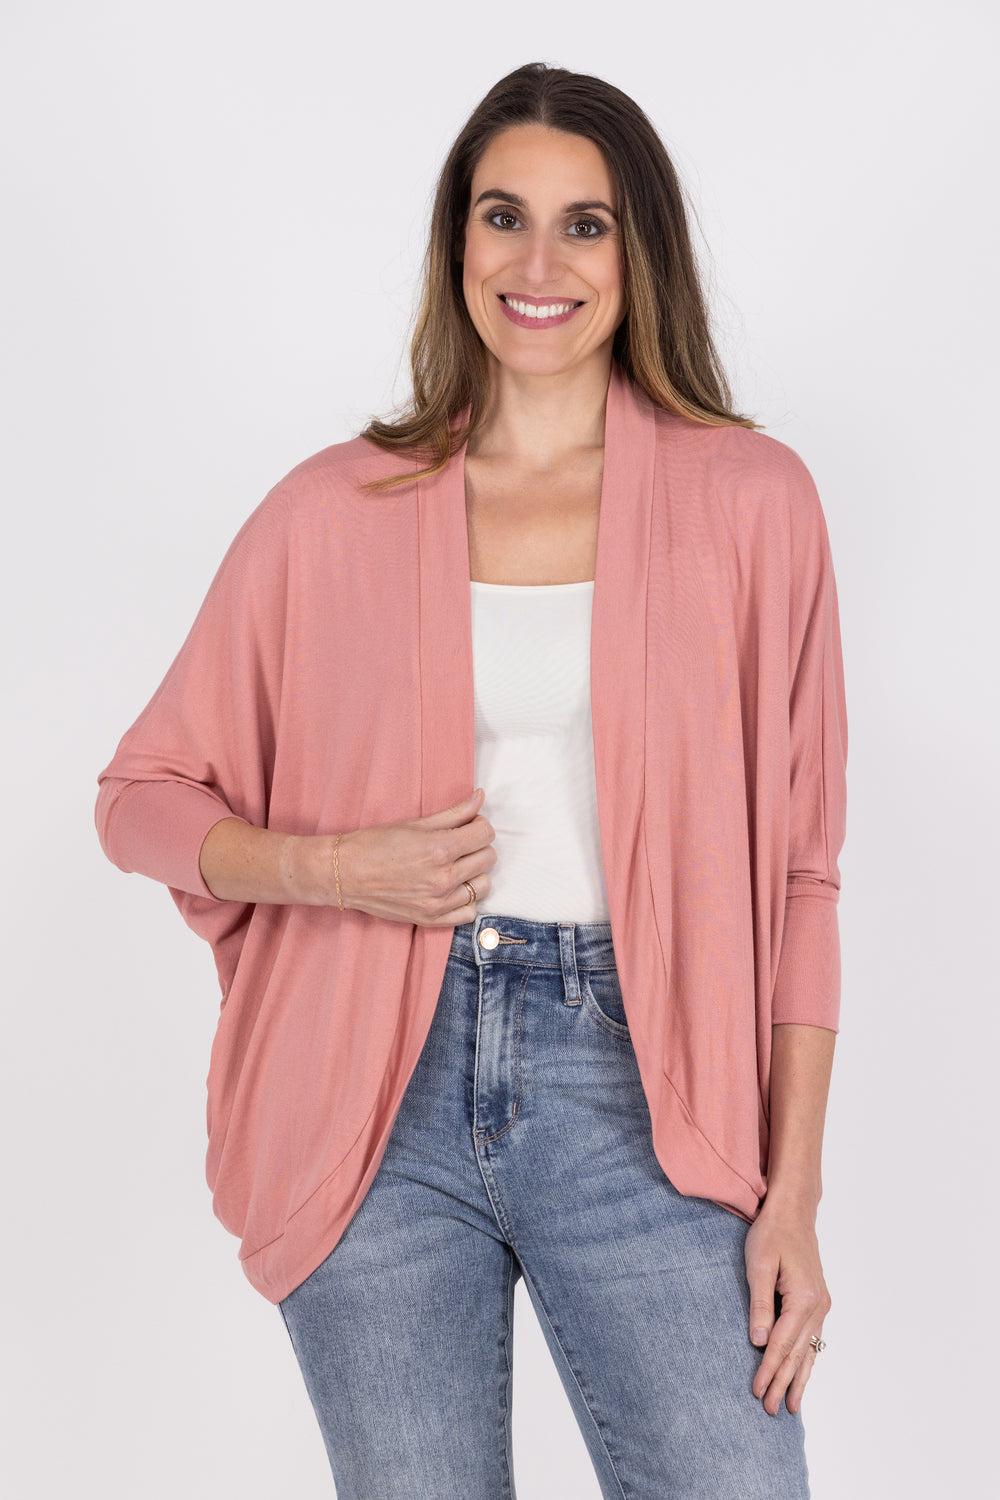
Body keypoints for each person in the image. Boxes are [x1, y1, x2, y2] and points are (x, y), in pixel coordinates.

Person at [94, 61, 847, 1499]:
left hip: (645, 1083)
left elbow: (805, 876)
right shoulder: (336, 507)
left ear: (640, 252)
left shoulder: (755, 504)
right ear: (458, 244)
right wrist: (331, 867)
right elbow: (140, 800)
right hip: (373, 1093)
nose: (538, 263)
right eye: (504, 217)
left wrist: (794, 1195)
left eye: (585, 224)